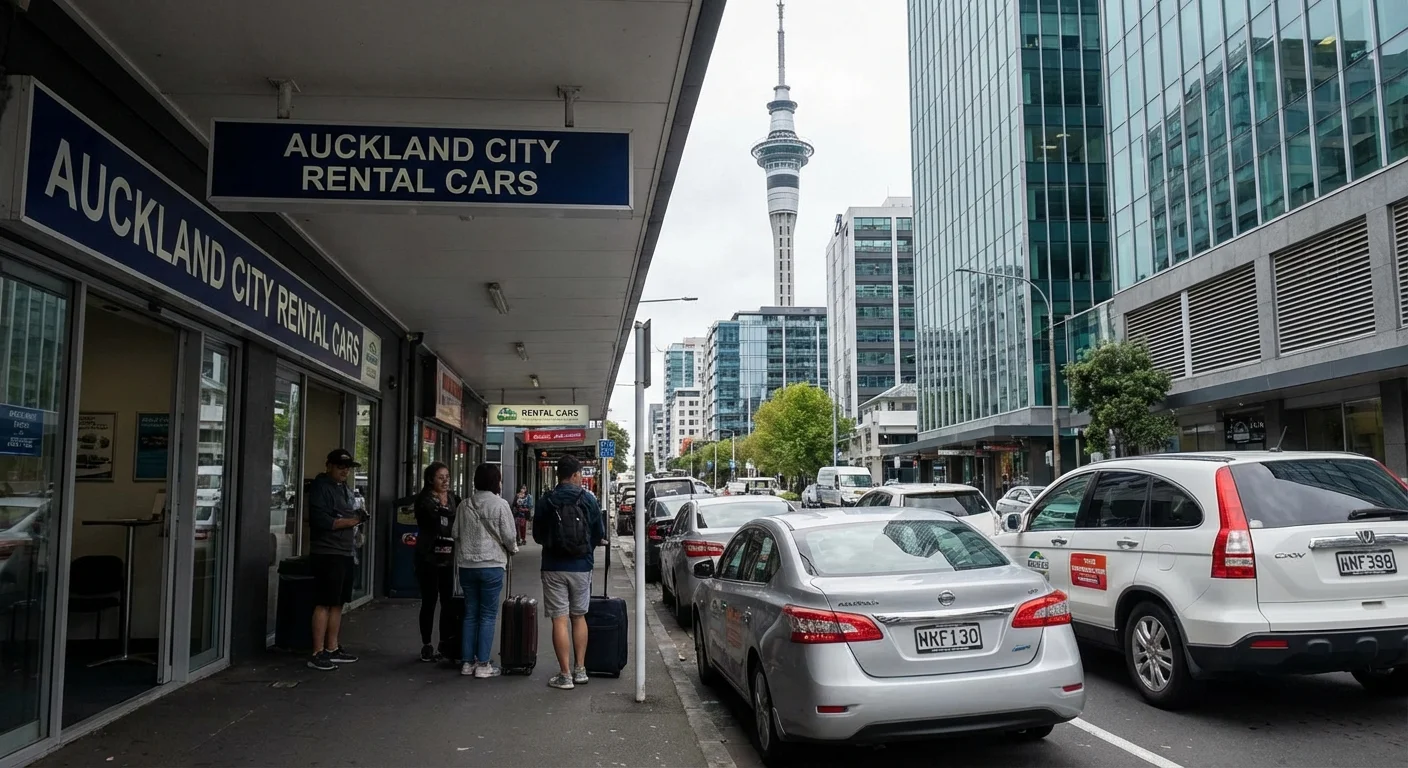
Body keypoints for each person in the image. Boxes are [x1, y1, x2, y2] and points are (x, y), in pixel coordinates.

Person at [532, 455, 606, 690]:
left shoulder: (546, 501)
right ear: (574, 475)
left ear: (558, 475)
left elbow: (537, 536)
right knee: (579, 616)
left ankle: (565, 675)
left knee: (560, 620)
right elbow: (598, 533)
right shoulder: (588, 499)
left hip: (553, 566)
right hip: (581, 566)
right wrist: (585, 549)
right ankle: (580, 670)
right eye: (580, 474)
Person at [452, 463, 519, 678]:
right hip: (492, 565)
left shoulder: (464, 505)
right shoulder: (500, 504)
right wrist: (512, 549)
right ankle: (483, 664)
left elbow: (455, 533)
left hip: (467, 566)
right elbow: (509, 536)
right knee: (488, 615)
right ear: (495, 481)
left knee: (470, 613)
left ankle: (466, 663)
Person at [306, 449, 366, 671]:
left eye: (348, 467)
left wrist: (355, 519)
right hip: (327, 552)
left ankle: (332, 647)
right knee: (324, 601)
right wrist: (352, 521)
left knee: (338, 601)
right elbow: (322, 520)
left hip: (345, 551)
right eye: (340, 466)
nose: (345, 471)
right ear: (329, 465)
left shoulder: (343, 488)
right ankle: (317, 652)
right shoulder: (321, 487)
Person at [413, 462, 459, 662]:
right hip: (429, 556)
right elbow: (432, 519)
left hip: (449, 556)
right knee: (429, 601)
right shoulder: (424, 500)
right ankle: (426, 644)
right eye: (441, 477)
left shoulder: (453, 498)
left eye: (447, 476)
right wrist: (444, 512)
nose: (445, 481)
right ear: (431, 479)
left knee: (448, 602)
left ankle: (444, 642)